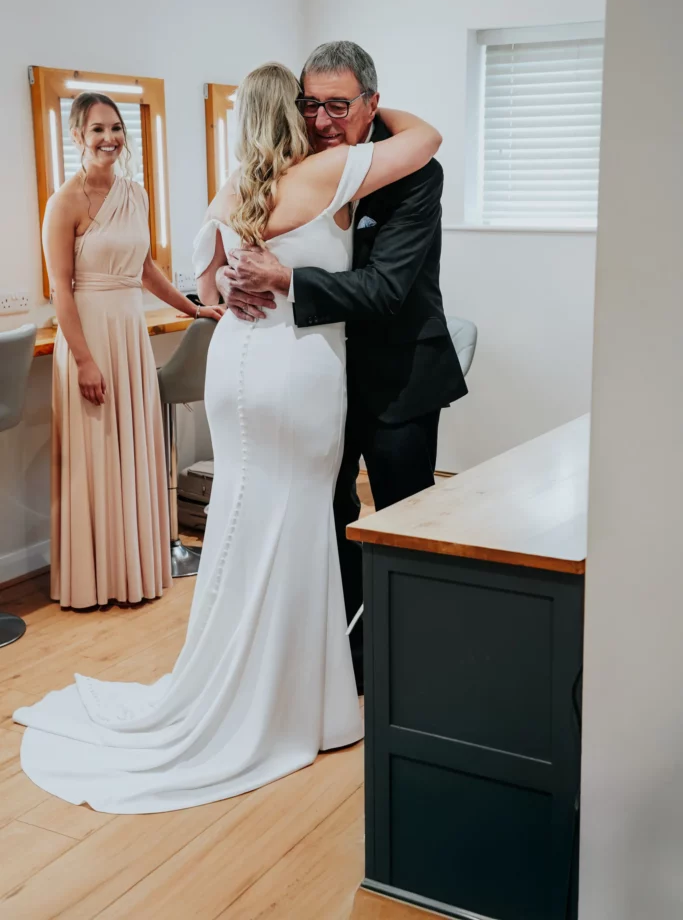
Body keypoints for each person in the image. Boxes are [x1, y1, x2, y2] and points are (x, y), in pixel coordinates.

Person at [13, 63, 441, 813]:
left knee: (244, 521)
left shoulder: (236, 187)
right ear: (298, 115)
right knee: (299, 524)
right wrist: (373, 111)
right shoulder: (331, 173)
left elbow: (208, 286)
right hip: (297, 370)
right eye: (314, 106)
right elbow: (426, 138)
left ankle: (240, 677)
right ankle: (301, 701)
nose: (326, 119)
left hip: (234, 364)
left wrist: (243, 278)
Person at [220, 42, 468, 691]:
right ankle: (339, 656)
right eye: (311, 105)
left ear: (372, 103)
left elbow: (385, 290)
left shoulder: (414, 173)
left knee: (400, 521)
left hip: (400, 374)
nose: (322, 121)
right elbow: (240, 234)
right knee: (324, 514)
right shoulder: (297, 163)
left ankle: (408, 665)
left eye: (339, 106)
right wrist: (229, 279)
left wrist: (285, 280)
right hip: (317, 379)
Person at [42, 93, 224, 609]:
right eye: (97, 130)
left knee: (133, 451)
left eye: (116, 128)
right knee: (98, 453)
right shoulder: (63, 203)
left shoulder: (136, 195)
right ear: (77, 137)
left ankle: (133, 570)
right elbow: (60, 291)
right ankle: (94, 580)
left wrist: (193, 309)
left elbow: (145, 270)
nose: (109, 139)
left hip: (129, 335)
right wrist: (83, 361)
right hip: (90, 336)